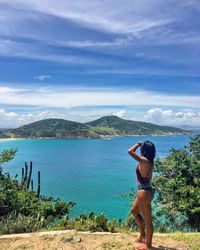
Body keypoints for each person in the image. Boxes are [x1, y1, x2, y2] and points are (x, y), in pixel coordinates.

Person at [128, 140, 156, 250]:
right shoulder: (150, 161)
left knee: (148, 221)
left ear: (144, 150)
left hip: (144, 192)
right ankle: (142, 235)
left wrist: (138, 144)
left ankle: (148, 245)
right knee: (134, 211)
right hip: (144, 190)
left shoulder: (144, 160)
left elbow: (130, 151)